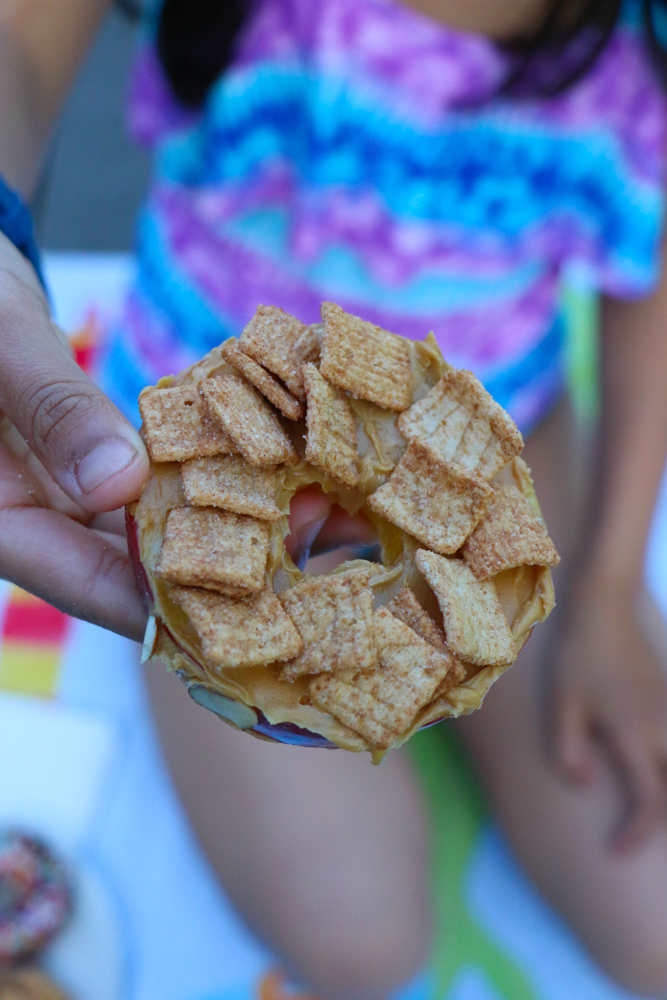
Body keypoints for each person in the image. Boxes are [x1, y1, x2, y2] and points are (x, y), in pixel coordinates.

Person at [2, 1, 667, 998]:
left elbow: (645, 261)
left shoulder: (626, 50)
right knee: (360, 944)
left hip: (506, 438)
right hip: (204, 461)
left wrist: (608, 589)